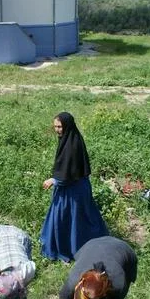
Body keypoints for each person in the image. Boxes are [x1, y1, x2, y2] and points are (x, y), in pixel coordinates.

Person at [40, 111, 109, 262]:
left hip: (74, 191)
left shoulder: (73, 144)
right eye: (55, 127)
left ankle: (76, 250)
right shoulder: (68, 139)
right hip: (73, 188)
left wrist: (54, 181)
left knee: (73, 221)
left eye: (59, 126)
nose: (57, 130)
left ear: (67, 126)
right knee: (73, 220)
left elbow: (70, 171)